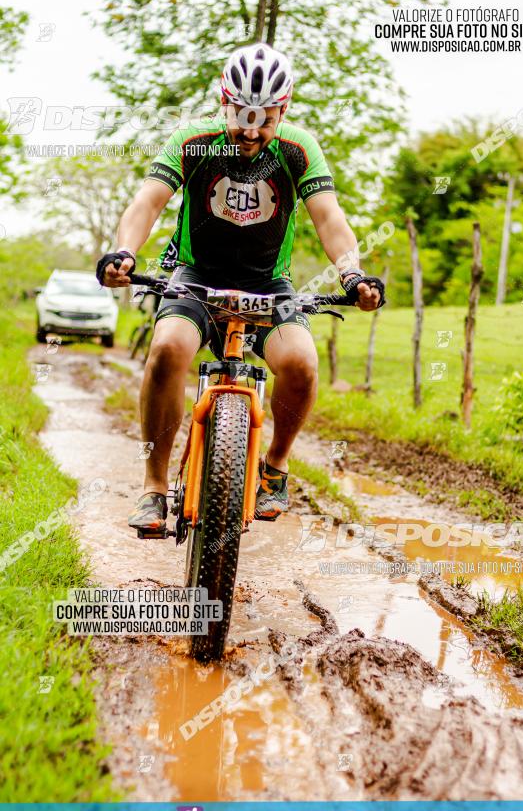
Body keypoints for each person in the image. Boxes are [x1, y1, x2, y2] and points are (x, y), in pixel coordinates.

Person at [97, 42, 385, 535]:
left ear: (283, 109)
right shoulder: (194, 139)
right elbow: (148, 201)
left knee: (301, 362)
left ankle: (274, 467)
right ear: (225, 101)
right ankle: (152, 486)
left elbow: (329, 217)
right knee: (167, 349)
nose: (251, 131)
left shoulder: (298, 148)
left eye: (265, 119)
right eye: (241, 116)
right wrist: (124, 251)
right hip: (195, 274)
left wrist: (353, 274)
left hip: (267, 283)